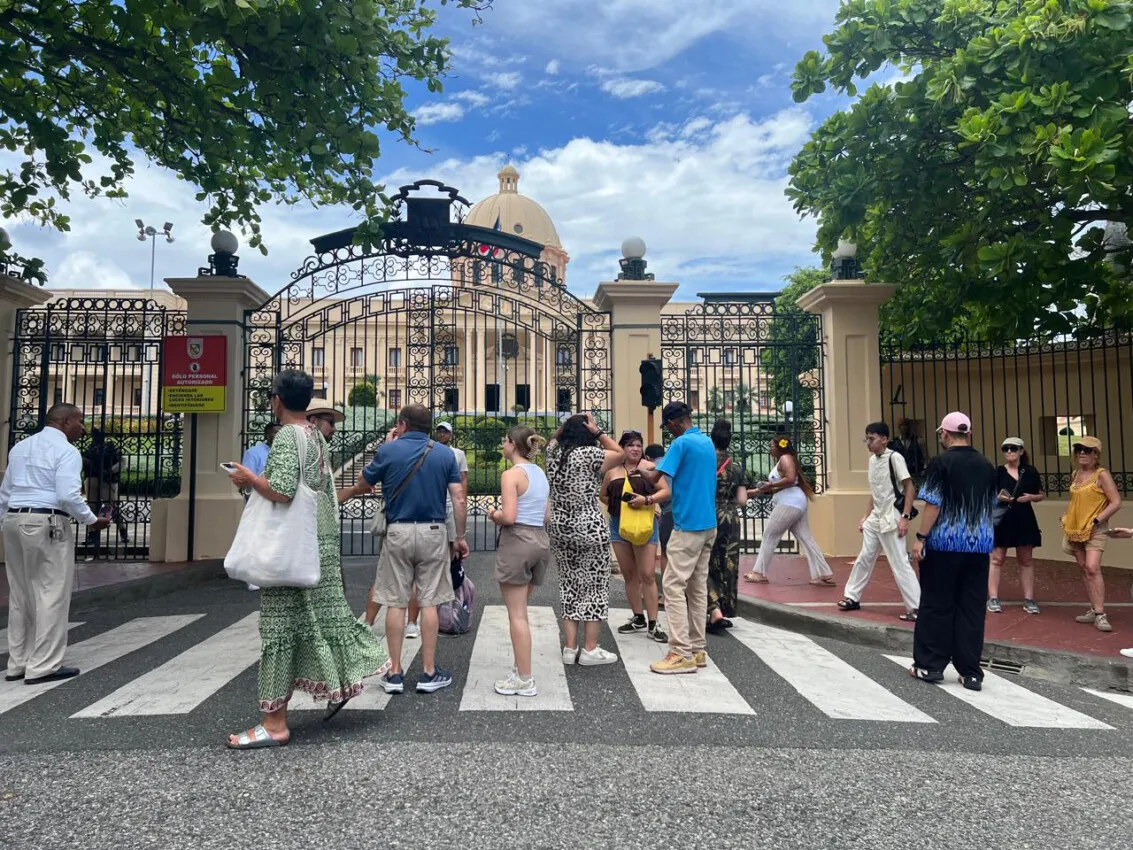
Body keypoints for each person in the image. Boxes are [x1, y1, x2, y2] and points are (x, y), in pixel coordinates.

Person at [224, 371, 389, 749]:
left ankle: (274, 722)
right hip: (317, 545)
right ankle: (337, 681)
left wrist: (249, 478)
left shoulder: (286, 436)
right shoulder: (315, 435)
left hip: (290, 551)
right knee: (317, 620)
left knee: (279, 630)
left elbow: (281, 491)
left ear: (277, 400)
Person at [0, 404, 111, 684]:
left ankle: (18, 662)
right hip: (47, 522)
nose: (83, 428)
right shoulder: (67, 452)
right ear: (64, 421)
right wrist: (90, 521)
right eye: (79, 422)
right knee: (51, 593)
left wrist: (5, 522)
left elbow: (6, 492)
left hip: (14, 520)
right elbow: (67, 495)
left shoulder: (21, 448)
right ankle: (43, 665)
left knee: (21, 593)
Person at [362, 404, 468, 694]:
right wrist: (459, 536)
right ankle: (428, 672)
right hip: (434, 531)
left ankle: (395, 673)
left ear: (403, 425)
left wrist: (386, 446)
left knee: (396, 601)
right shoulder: (445, 454)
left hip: (397, 530)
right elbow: (459, 499)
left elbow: (365, 481)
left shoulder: (389, 451)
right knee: (430, 600)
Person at [909, 412, 998, 692]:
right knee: (971, 606)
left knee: (937, 603)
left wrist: (921, 537)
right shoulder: (986, 464)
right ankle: (970, 671)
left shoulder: (941, 463)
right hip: (979, 544)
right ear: (968, 433)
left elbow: (933, 504)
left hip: (946, 542)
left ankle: (930, 665)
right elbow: (992, 503)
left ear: (945, 434)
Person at [641, 401, 717, 675]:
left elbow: (654, 478)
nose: (669, 431)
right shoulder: (706, 442)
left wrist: (641, 467)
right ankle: (697, 650)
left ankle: (679, 652)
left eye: (669, 426)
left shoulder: (681, 444)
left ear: (674, 423)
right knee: (696, 588)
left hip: (687, 526)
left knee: (672, 586)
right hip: (709, 523)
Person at [546, 412, 624, 666]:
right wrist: (597, 431)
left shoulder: (553, 454)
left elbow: (554, 438)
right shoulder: (589, 454)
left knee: (569, 584)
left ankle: (570, 648)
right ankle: (590, 649)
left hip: (560, 527)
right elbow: (620, 453)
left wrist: (568, 425)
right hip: (588, 526)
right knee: (594, 586)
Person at [487, 426, 551, 697]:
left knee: (517, 615)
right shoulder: (540, 474)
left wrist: (494, 513)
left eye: (504, 441)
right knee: (522, 611)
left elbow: (510, 516)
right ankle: (520, 667)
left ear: (512, 444)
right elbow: (547, 516)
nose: (502, 445)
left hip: (518, 540)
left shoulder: (511, 475)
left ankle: (525, 679)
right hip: (540, 540)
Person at [838, 422, 920, 621]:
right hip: (876, 517)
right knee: (865, 557)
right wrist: (866, 516)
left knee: (899, 561)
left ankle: (916, 607)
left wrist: (905, 518)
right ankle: (852, 597)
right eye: (866, 439)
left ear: (884, 439)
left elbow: (909, 487)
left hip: (892, 516)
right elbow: (876, 492)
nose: (868, 443)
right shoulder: (872, 461)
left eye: (872, 439)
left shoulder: (895, 458)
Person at [601, 430, 669, 643]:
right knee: (629, 574)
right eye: (630, 445)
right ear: (622, 448)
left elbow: (665, 491)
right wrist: (618, 504)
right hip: (619, 524)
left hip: (645, 524)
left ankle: (653, 622)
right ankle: (638, 616)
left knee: (647, 574)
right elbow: (603, 494)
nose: (635, 449)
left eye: (638, 445)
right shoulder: (612, 471)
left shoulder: (649, 469)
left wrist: (647, 500)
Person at [743, 435, 835, 586]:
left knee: (770, 535)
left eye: (772, 446)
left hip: (789, 503)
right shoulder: (784, 459)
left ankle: (759, 572)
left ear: (780, 446)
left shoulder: (785, 458)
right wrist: (755, 491)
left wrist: (770, 485)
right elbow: (782, 484)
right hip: (795, 502)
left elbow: (791, 479)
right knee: (806, 537)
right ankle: (822, 572)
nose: (770, 448)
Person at [1061, 436, 1122, 633]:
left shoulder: (1102, 475)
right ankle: (1094, 608)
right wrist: (1067, 516)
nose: (1082, 453)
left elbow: (1115, 502)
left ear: (1096, 454)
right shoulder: (1075, 474)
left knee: (1092, 567)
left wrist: (1096, 520)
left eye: (1087, 450)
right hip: (1075, 528)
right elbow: (1077, 501)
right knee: (1084, 568)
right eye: (1079, 449)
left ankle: (1100, 614)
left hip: (1095, 529)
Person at [987, 437, 1045, 615]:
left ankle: (1029, 598)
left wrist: (1031, 498)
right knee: (997, 559)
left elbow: (1041, 494)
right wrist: (999, 498)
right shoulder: (998, 472)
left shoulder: (1030, 471)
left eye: (1013, 448)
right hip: (1003, 518)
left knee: (1026, 560)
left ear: (1021, 451)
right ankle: (993, 597)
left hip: (1024, 517)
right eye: (1006, 449)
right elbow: (989, 495)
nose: (1009, 452)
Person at [707, 420, 748, 634]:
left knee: (706, 561)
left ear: (711, 437)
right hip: (731, 517)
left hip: (708, 514)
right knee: (728, 562)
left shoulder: (705, 462)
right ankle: (726, 607)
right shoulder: (736, 466)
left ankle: (713, 608)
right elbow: (741, 499)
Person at [238, 422, 284, 591]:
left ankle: (273, 575)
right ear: (267, 435)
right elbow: (245, 481)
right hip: (258, 502)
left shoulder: (285, 453)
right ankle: (252, 577)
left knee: (275, 540)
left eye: (281, 432)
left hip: (279, 502)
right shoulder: (254, 453)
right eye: (275, 433)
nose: (278, 436)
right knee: (257, 540)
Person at [82, 427, 129, 559]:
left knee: (111, 506)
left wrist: (110, 471)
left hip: (108, 480)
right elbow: (82, 461)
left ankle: (122, 531)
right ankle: (92, 535)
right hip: (92, 478)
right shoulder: (90, 447)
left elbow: (122, 461)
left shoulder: (110, 447)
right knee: (92, 506)